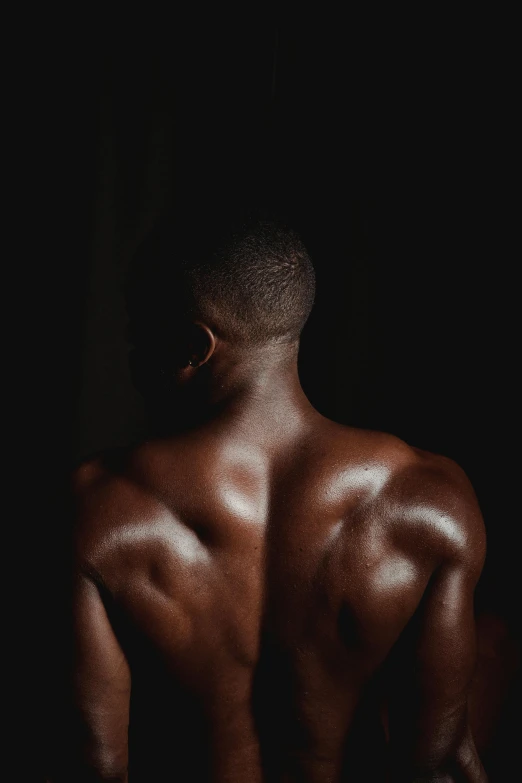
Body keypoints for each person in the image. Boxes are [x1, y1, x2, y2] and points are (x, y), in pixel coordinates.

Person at [50, 210, 489, 782]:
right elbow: (438, 762)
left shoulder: (100, 510)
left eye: (140, 332)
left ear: (192, 345)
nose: (134, 359)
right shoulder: (429, 502)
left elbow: (97, 766)